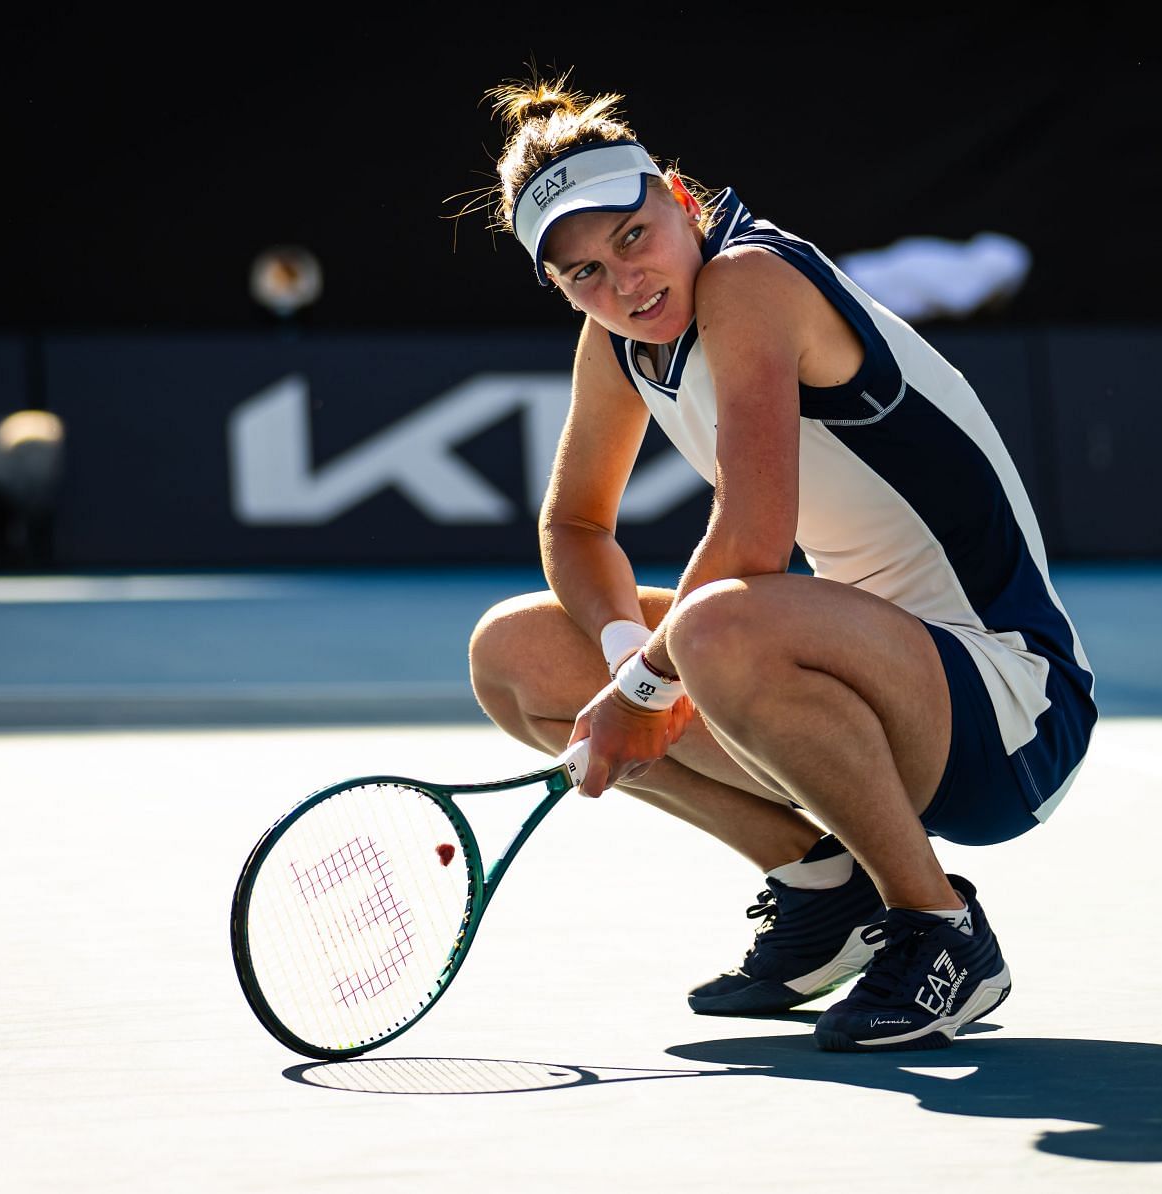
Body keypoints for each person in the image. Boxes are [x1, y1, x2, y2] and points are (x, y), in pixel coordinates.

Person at [465, 76, 1097, 1053]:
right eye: (582, 273)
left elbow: (754, 539)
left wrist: (641, 683)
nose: (622, 284)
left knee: (719, 624)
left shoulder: (752, 280)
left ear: (678, 196)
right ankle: (820, 886)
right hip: (875, 677)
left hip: (1012, 710)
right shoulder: (619, 340)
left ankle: (941, 931)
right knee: (517, 657)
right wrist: (627, 647)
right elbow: (576, 529)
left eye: (632, 236)